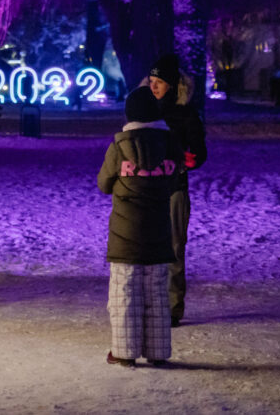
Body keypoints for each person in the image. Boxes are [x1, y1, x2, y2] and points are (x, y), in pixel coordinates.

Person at [97, 86, 183, 367]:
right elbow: (174, 183)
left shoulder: (119, 147)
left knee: (124, 296)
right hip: (159, 234)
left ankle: (124, 352)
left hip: (125, 238)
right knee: (156, 296)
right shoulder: (170, 145)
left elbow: (103, 184)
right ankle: (157, 352)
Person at [146, 53, 207, 327]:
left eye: (159, 81)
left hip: (174, 189)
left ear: (172, 85)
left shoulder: (186, 114)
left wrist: (191, 157)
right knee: (145, 250)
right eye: (151, 80)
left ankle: (172, 307)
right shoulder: (143, 111)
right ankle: (148, 302)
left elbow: (200, 151)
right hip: (146, 190)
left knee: (173, 249)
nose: (154, 86)